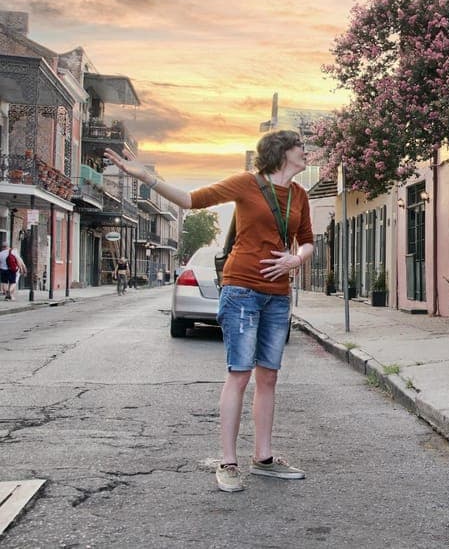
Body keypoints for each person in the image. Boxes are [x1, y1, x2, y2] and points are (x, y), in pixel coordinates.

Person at [105, 129, 314, 493]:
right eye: (301, 147)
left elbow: (307, 241)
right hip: (242, 290)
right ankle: (229, 462)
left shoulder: (300, 194)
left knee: (269, 377)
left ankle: (263, 458)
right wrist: (147, 178)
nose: (306, 152)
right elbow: (191, 200)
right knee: (240, 374)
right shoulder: (246, 183)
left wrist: (295, 259)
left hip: (279, 295)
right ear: (283, 152)